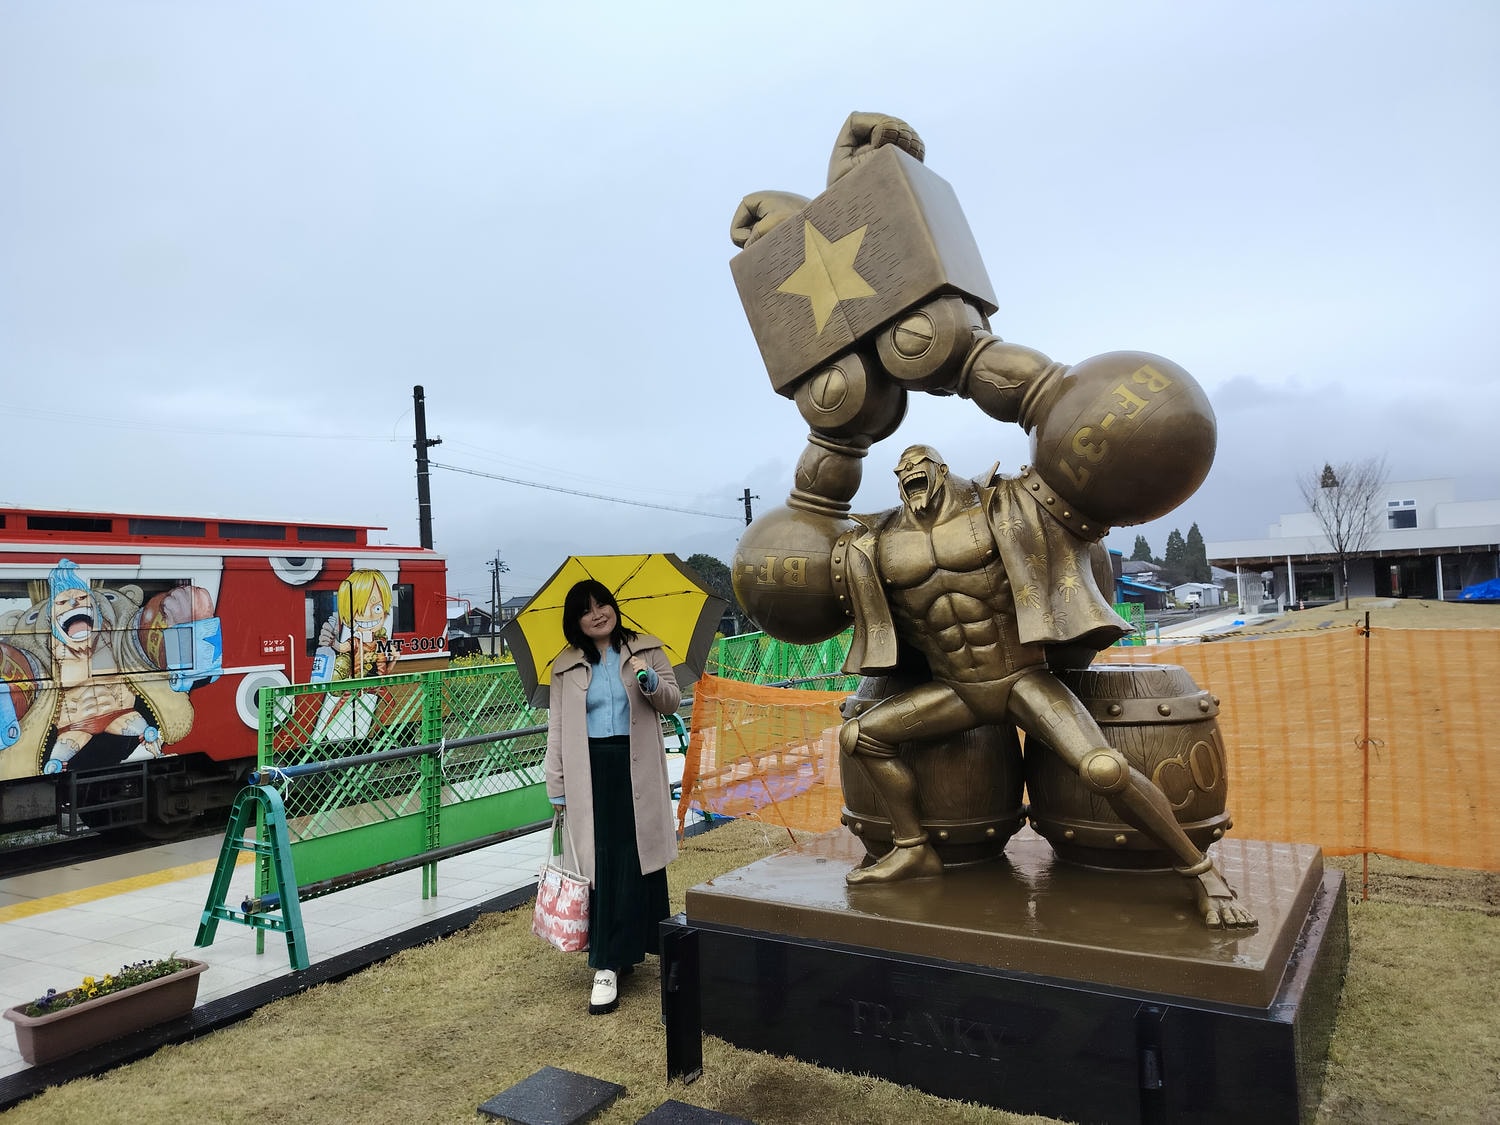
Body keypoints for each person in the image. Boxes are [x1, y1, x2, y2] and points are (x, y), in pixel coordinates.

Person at [836, 445, 1256, 929]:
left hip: (1022, 679)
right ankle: (913, 849)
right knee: (860, 736)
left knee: (1103, 769)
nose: (909, 475)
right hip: (957, 689)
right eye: (901, 472)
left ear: (941, 470)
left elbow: (1073, 516)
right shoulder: (881, 539)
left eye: (918, 467)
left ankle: (1201, 872)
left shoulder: (998, 507)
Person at [543, 579, 681, 1014]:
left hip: (635, 766)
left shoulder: (645, 651)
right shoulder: (565, 666)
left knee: (638, 857)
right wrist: (557, 785)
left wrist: (649, 680)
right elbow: (557, 731)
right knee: (601, 862)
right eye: (586, 610)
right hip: (590, 773)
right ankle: (605, 963)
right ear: (576, 621)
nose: (598, 613)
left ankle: (634, 949)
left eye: (603, 604)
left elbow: (673, 702)